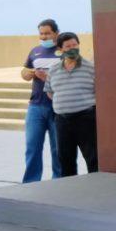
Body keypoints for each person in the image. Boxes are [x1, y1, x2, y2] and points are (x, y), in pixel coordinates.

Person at [45, 32, 98, 177]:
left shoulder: (91, 68)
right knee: (65, 159)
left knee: (93, 157)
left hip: (86, 119)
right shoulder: (53, 69)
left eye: (75, 45)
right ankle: (70, 188)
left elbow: (98, 91)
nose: (72, 48)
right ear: (60, 49)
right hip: (62, 121)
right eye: (68, 46)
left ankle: (97, 185)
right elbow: (49, 92)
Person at [20, 18, 61, 182]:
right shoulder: (35, 51)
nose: (43, 37)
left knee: (58, 149)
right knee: (32, 147)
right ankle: (31, 182)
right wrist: (27, 73)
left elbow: (70, 77)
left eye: (47, 33)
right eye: (41, 34)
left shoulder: (64, 51)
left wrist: (48, 78)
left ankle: (59, 181)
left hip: (58, 107)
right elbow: (25, 72)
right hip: (35, 107)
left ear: (56, 33)